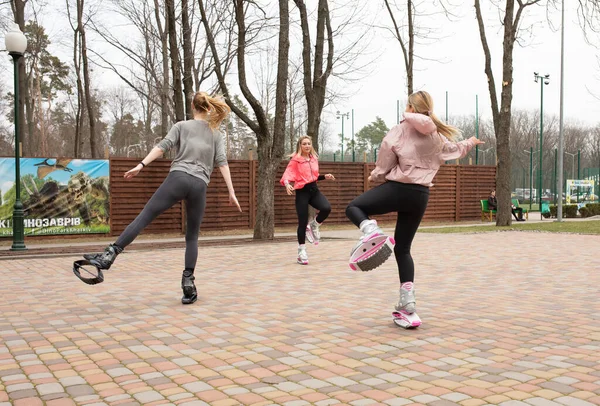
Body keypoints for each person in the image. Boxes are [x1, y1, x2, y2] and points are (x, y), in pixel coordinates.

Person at [83, 92, 242, 304]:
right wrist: (231, 191)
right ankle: (188, 283)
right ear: (208, 108)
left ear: (192, 106)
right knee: (192, 236)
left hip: (178, 179)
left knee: (144, 217)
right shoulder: (216, 134)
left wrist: (141, 165)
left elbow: (162, 147)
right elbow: (222, 162)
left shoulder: (181, 126)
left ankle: (109, 255)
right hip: (200, 185)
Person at [345, 90, 484, 327]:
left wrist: (375, 178)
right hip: (420, 196)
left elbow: (385, 160)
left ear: (410, 107)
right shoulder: (437, 136)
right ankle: (408, 306)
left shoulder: (399, 130)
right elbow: (455, 150)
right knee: (404, 249)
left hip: (399, 188)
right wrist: (470, 142)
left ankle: (371, 231)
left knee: (354, 207)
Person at [280, 136, 335, 265]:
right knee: (302, 222)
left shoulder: (314, 159)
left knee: (326, 208)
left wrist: (324, 177)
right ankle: (301, 252)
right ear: (300, 146)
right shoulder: (295, 160)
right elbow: (288, 174)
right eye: (304, 144)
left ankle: (315, 225)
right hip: (302, 192)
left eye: (309, 143)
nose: (307, 146)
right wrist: (287, 184)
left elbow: (313, 177)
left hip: (314, 190)